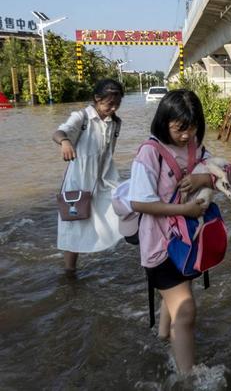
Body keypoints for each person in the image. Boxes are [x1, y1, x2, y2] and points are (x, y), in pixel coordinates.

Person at [128, 89, 218, 374]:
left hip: (189, 242)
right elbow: (139, 201)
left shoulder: (197, 147)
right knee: (186, 309)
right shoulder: (149, 153)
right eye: (180, 129)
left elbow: (229, 178)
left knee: (179, 297)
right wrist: (185, 211)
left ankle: (164, 337)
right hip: (160, 245)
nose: (187, 135)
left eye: (192, 128)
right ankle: (187, 378)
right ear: (164, 122)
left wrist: (203, 178)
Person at [52, 78, 124, 274]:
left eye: (117, 104)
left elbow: (109, 152)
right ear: (97, 99)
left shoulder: (116, 123)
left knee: (124, 209)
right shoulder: (81, 117)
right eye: (109, 104)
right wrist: (65, 142)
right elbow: (59, 132)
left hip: (104, 179)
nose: (113, 108)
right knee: (74, 225)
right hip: (78, 182)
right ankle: (69, 270)